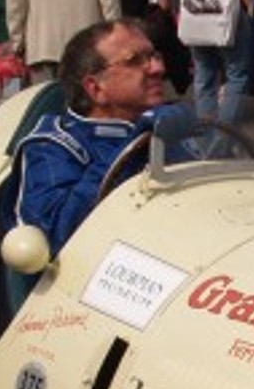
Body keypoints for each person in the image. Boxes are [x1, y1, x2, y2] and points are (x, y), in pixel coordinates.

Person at [11, 16, 170, 265]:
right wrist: (131, 143)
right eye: (135, 61)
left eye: (154, 56)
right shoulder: (52, 147)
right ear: (95, 88)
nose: (157, 69)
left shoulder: (167, 126)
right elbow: (55, 240)